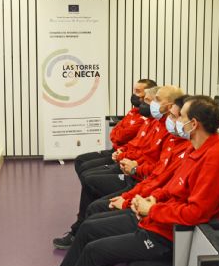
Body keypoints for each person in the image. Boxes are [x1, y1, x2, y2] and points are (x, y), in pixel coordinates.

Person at [2, 95, 219, 266]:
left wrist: (152, 210)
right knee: (89, 230)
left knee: (95, 251)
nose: (176, 121)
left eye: (181, 117)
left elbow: (196, 213)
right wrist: (146, 201)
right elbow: (168, 188)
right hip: (157, 222)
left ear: (195, 123)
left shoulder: (216, 159)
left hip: (171, 237)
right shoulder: (195, 150)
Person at [52, 86, 183, 249]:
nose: (146, 103)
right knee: (86, 172)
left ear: (170, 106)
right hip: (133, 173)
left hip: (137, 181)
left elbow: (157, 172)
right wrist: (124, 154)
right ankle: (82, 232)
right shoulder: (153, 123)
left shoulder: (170, 135)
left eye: (154, 100)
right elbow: (129, 142)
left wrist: (135, 171)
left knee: (91, 186)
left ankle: (80, 233)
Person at [74, 79, 157, 177]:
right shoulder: (133, 111)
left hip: (124, 156)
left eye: (138, 91)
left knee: (87, 172)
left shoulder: (146, 119)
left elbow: (121, 137)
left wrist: (120, 150)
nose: (134, 94)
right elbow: (115, 133)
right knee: (80, 160)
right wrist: (117, 136)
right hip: (117, 151)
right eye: (134, 91)